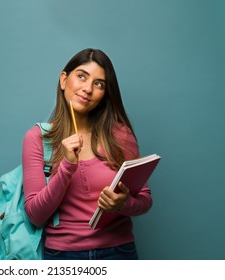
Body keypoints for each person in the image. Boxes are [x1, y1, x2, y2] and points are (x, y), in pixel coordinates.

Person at [22, 48, 152, 260]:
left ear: (104, 94)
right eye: (81, 76)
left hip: (119, 253)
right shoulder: (37, 138)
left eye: (99, 83)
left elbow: (145, 200)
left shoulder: (120, 135)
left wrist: (124, 204)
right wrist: (66, 166)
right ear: (64, 80)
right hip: (63, 257)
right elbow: (35, 216)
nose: (88, 88)